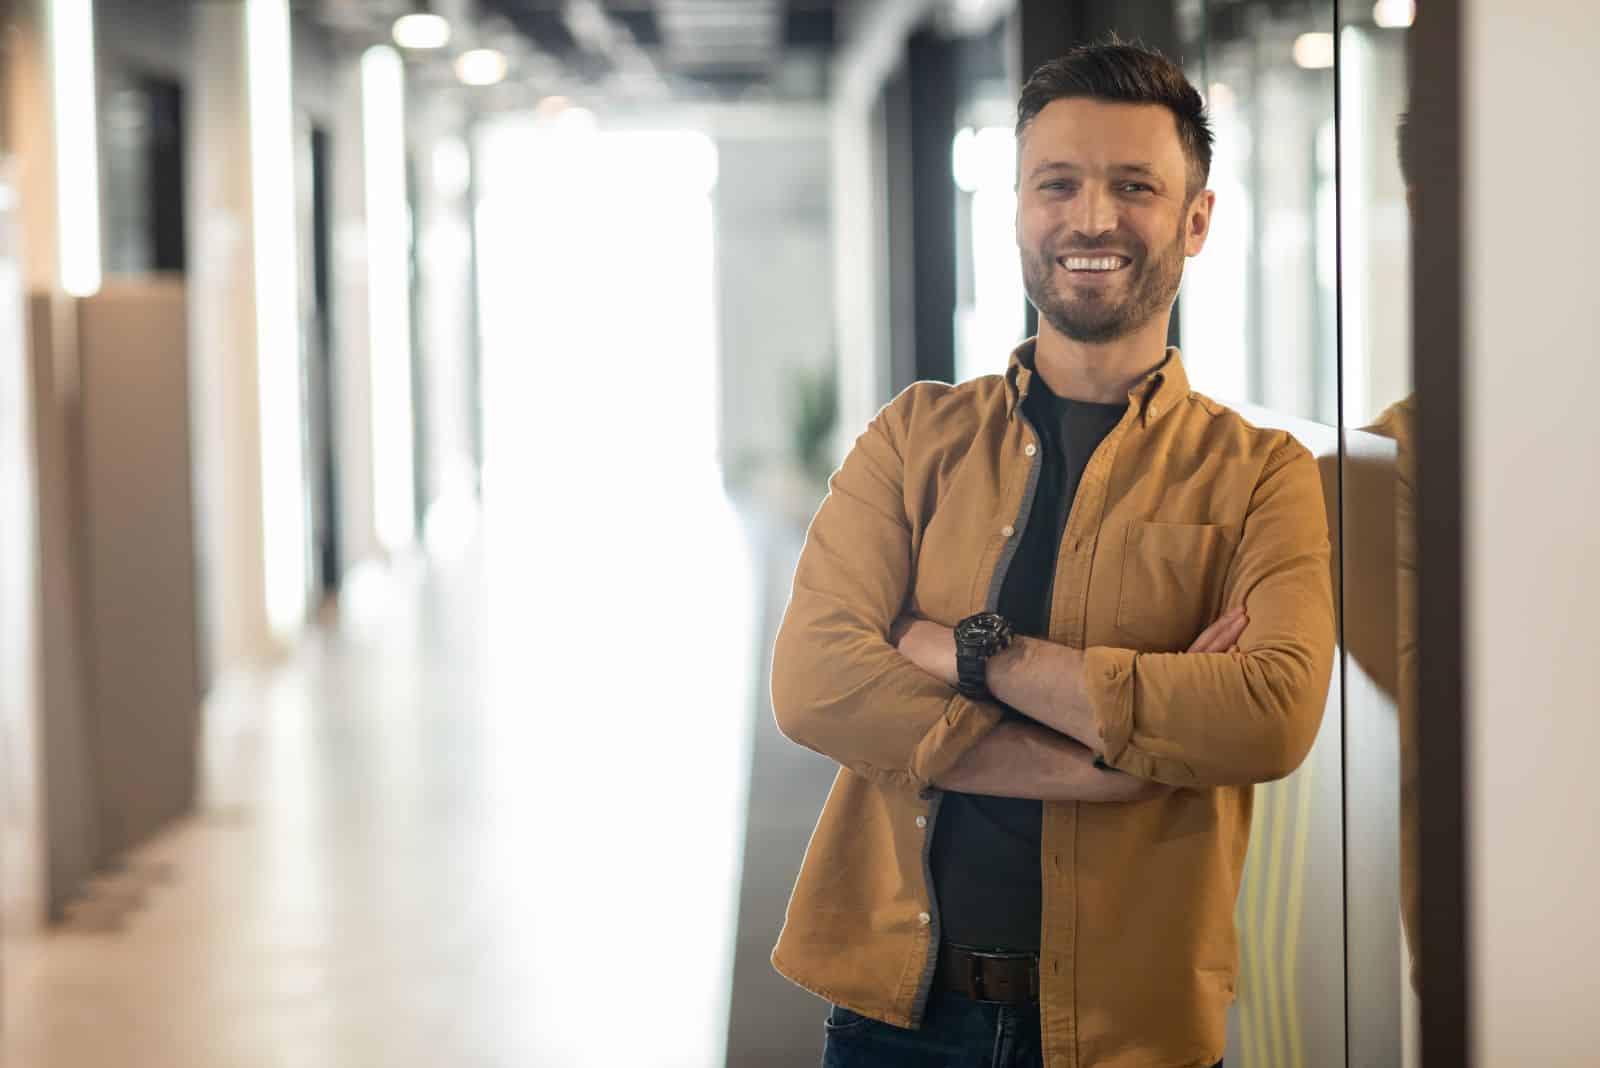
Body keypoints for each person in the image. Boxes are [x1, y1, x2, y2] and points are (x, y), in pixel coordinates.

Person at [768, 40, 1336, 1068]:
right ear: (1018, 208)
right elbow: (813, 681)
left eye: (1134, 187)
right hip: (897, 1019)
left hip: (1133, 1030)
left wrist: (966, 651)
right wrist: (1101, 766)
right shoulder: (914, 438)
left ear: (1194, 220)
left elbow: (1267, 715)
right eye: (1057, 184)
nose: (1090, 219)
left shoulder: (1260, 472)